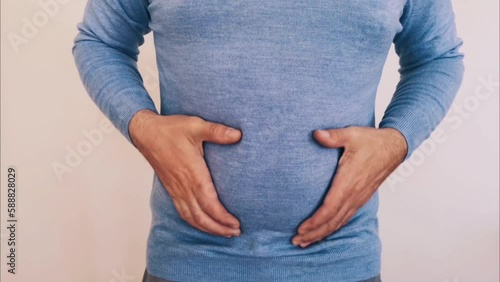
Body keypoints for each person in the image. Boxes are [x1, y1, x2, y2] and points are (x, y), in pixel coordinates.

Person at [72, 0, 464, 281]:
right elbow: (100, 41)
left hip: (340, 260)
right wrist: (144, 127)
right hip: (188, 258)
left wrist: (396, 139)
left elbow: (438, 57)